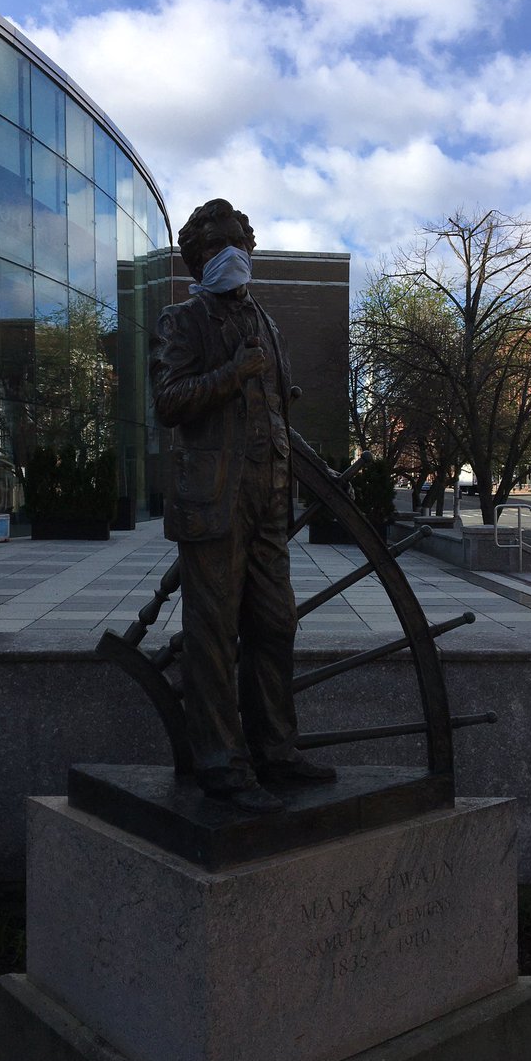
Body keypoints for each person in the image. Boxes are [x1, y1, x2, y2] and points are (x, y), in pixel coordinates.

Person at [149, 198, 335, 813]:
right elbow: (169, 401)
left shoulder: (266, 322)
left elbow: (274, 409)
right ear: (196, 259)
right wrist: (232, 371)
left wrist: (307, 464)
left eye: (237, 242)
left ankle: (275, 749)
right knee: (212, 636)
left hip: (268, 501)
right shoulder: (183, 321)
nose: (230, 253)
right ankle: (222, 764)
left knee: (275, 624)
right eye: (215, 246)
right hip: (213, 502)